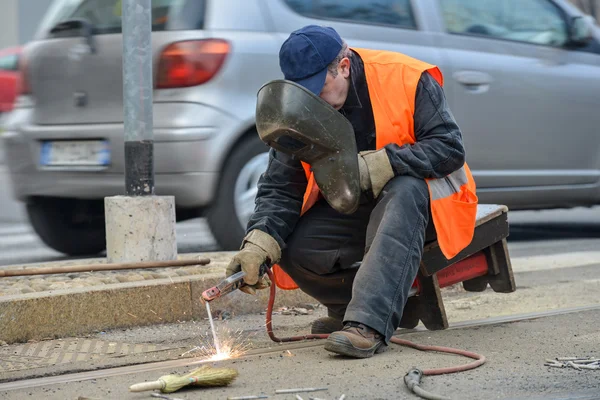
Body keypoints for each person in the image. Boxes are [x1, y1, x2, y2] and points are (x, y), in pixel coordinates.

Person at [226, 25, 478, 359]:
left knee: (405, 189)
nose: (313, 98)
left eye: (319, 86)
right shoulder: (299, 108)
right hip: (355, 207)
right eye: (305, 90)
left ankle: (367, 325)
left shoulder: (406, 77)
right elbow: (281, 187)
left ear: (343, 66)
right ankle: (353, 308)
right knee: (294, 245)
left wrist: (382, 164)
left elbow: (448, 148)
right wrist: (258, 242)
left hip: (427, 207)